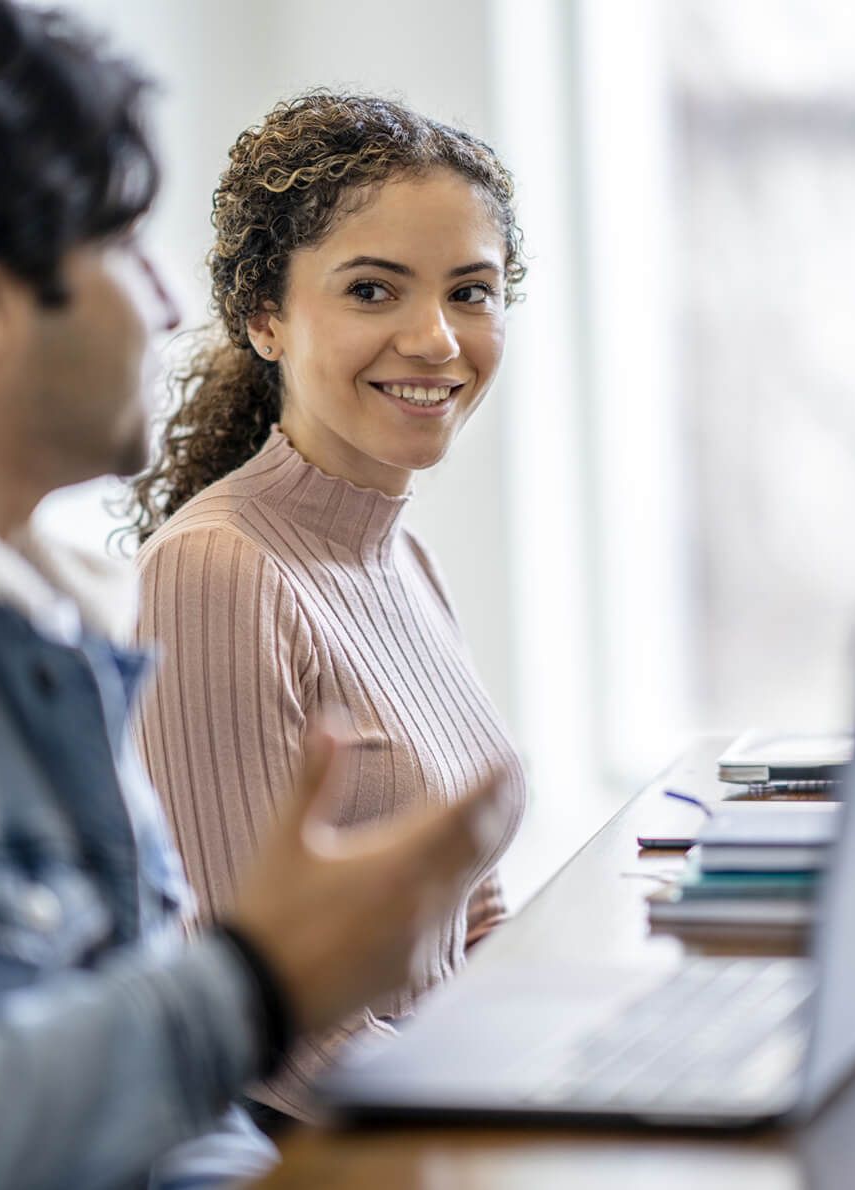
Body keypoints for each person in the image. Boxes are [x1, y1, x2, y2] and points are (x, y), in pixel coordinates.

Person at [0, 4, 512, 1188]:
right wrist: (252, 992)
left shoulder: (38, 627)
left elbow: (170, 1123)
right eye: (119, 244)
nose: (165, 303)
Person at [126, 92, 529, 1122]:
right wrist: (492, 1121)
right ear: (265, 317)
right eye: (371, 289)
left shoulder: (401, 555)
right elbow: (265, 1019)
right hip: (334, 1147)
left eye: (470, 292)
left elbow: (469, 904)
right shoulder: (215, 570)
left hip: (433, 1104)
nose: (436, 339)